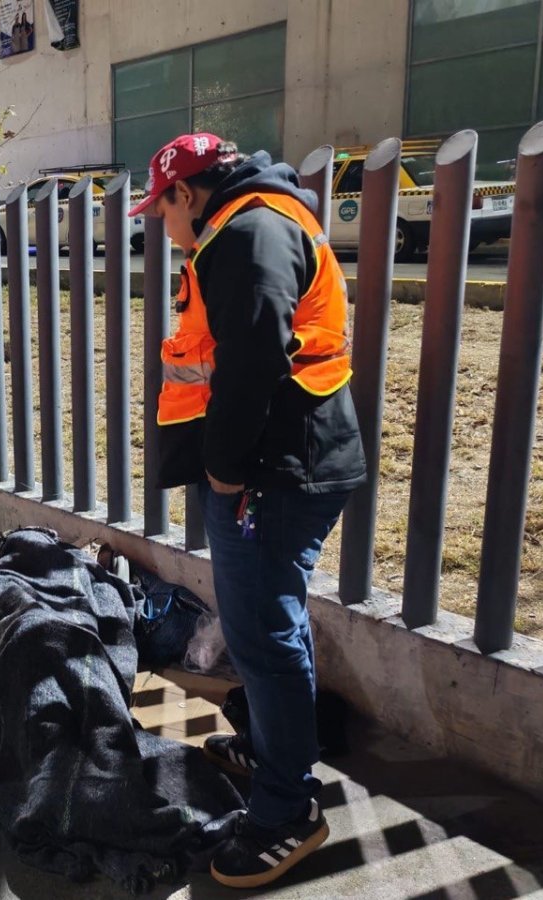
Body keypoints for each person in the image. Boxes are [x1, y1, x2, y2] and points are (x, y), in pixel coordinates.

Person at [128, 133, 366, 888]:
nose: (157, 227)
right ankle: (276, 752)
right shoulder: (253, 224)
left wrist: (225, 472)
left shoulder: (250, 231)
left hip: (275, 474)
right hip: (286, 464)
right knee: (272, 623)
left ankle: (285, 810)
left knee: (262, 636)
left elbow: (257, 352)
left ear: (186, 194)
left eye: (158, 210)